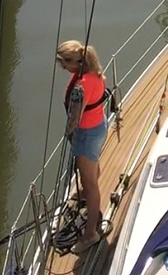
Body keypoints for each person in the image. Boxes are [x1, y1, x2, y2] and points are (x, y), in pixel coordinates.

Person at [56, 40, 108, 254]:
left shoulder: (81, 86)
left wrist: (69, 135)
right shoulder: (94, 73)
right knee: (91, 165)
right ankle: (84, 192)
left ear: (73, 63)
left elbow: (74, 119)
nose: (63, 68)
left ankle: (90, 235)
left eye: (63, 64)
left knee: (90, 182)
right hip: (98, 125)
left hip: (86, 133)